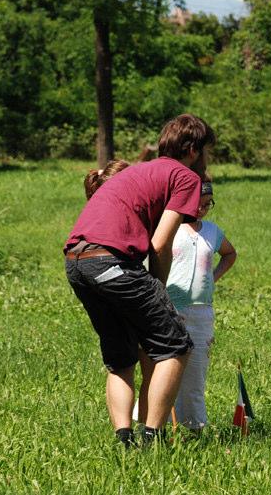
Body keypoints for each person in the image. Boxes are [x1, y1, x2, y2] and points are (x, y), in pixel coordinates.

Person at [64, 114, 216, 447]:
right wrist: (158, 287)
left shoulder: (137, 170)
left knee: (121, 357)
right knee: (176, 344)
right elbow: (161, 243)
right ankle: (152, 439)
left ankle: (123, 440)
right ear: (192, 149)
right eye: (206, 151)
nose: (206, 159)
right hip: (112, 260)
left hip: (77, 260)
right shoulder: (185, 176)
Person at [166, 177, 237, 431]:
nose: (202, 209)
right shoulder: (169, 228)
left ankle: (194, 427)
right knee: (166, 370)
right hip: (170, 307)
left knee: (195, 374)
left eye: (208, 204)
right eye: (198, 203)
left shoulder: (211, 231)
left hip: (201, 312)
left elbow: (230, 254)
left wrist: (212, 278)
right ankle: (158, 425)